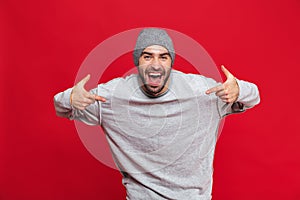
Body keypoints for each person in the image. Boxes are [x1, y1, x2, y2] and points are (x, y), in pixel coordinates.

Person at [54, 28, 260, 200]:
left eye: (163, 57)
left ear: (171, 62)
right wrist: (69, 98)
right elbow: (61, 108)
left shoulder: (202, 92)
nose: (155, 64)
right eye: (147, 56)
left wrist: (240, 89)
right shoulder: (111, 97)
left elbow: (253, 97)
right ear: (137, 61)